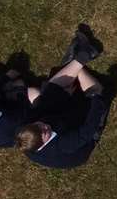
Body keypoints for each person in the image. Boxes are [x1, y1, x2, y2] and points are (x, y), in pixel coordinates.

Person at [14, 31, 110, 169]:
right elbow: (89, 128)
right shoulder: (65, 144)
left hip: (59, 118)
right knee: (97, 92)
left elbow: (42, 105)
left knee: (51, 89)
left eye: (39, 125)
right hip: (82, 134)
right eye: (44, 131)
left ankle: (82, 57)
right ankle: (77, 62)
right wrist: (95, 100)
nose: (44, 125)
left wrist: (60, 94)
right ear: (43, 143)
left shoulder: (24, 130)